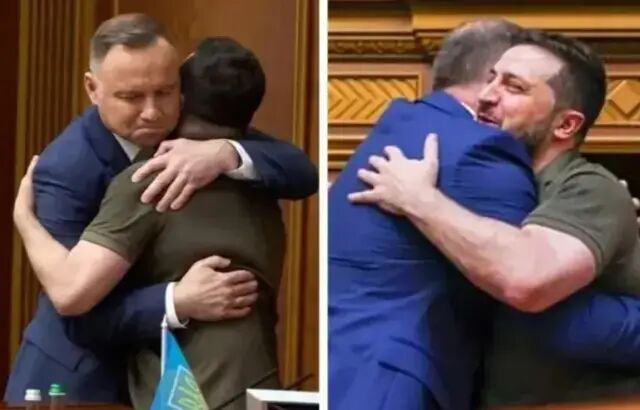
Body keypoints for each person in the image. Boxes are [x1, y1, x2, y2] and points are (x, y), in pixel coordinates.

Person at [6, 14, 317, 404]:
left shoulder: (191, 129)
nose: (153, 112)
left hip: (165, 378)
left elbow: (300, 170)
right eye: (131, 97)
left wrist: (224, 153)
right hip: (77, 385)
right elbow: (74, 311)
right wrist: (175, 300)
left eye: (165, 92)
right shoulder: (67, 169)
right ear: (93, 88)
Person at [351, 30, 640, 406]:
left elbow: (525, 281)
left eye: (514, 87)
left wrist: (418, 200)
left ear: (565, 125)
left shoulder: (588, 187)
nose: (486, 96)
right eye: (491, 79)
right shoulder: (485, 181)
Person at [329, 20, 537, 410]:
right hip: (395, 386)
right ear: (495, 81)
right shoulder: (480, 148)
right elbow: (531, 282)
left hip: (345, 369)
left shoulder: (398, 126)